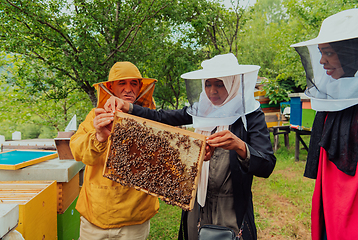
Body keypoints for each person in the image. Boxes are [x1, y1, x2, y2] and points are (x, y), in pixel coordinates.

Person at [105, 53, 276, 240]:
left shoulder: (250, 116)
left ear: (232, 83)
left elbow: (266, 164)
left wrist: (240, 146)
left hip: (231, 207)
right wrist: (128, 107)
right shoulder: (201, 110)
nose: (212, 91)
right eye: (208, 84)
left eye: (219, 84)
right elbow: (163, 117)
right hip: (196, 204)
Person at [70, 61, 159, 240]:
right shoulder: (96, 116)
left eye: (133, 83)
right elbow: (77, 150)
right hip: (95, 217)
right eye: (122, 83)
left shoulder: (151, 118)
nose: (128, 89)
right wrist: (99, 137)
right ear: (111, 87)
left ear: (140, 87)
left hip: (134, 219)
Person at [291, 8, 358, 240]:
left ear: (351, 54)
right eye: (320, 53)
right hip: (330, 192)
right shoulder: (329, 99)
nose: (321, 61)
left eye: (328, 53)